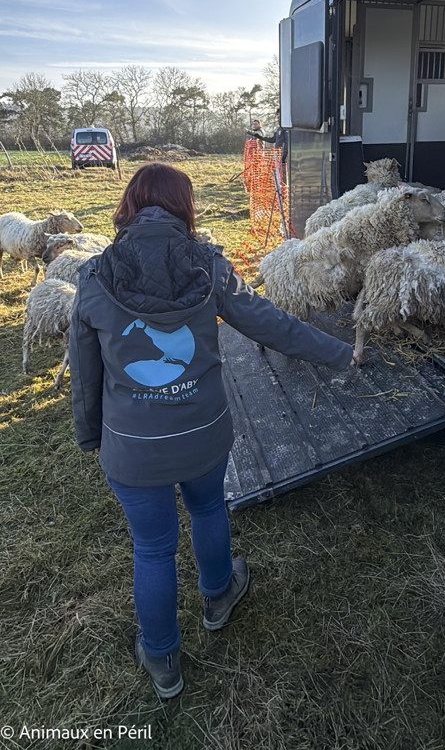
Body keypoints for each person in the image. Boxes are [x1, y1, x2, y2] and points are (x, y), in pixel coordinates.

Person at [68, 162, 359, 700]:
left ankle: (162, 660)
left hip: (133, 451)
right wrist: (341, 351)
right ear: (185, 207)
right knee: (207, 508)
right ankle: (219, 595)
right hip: (204, 433)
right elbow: (271, 322)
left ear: (128, 206)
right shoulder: (212, 268)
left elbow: (86, 378)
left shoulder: (92, 278)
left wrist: (91, 436)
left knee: (153, 547)